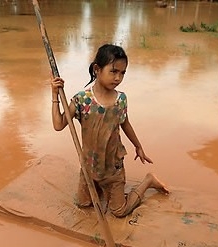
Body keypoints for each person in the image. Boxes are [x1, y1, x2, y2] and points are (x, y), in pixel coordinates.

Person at [50, 44, 169, 217]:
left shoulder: (120, 99)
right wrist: (55, 96)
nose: (118, 78)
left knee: (119, 212)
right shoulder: (82, 99)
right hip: (89, 166)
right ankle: (97, 187)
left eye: (122, 73)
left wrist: (138, 146)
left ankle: (148, 180)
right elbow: (59, 124)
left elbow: (125, 123)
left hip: (113, 167)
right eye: (113, 71)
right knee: (83, 204)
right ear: (97, 69)